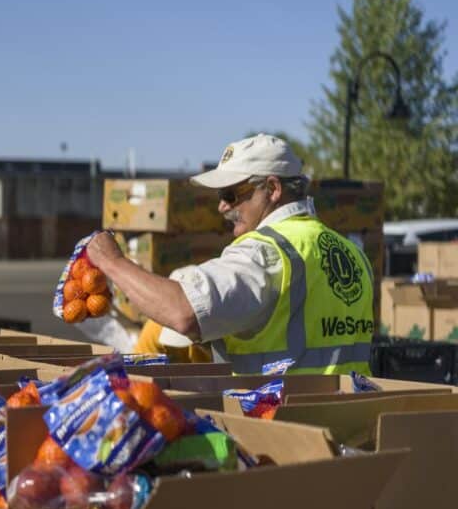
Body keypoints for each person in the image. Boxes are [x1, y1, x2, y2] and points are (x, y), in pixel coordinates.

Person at [87, 133, 375, 375]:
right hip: (350, 414)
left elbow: (184, 313)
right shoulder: (353, 253)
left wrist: (113, 261)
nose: (222, 207)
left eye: (230, 195)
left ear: (272, 189)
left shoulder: (265, 252)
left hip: (277, 419)